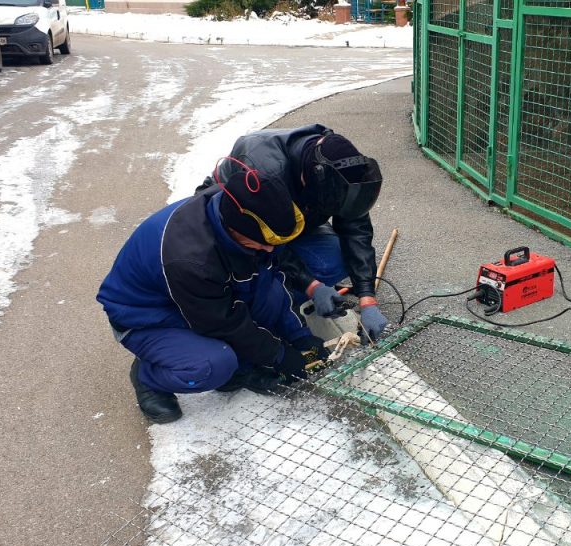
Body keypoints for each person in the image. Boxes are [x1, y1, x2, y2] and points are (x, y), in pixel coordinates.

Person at [97, 160, 327, 424]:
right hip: (146, 317)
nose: (269, 250)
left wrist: (299, 337)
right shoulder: (191, 260)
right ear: (235, 228)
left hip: (198, 300)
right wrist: (280, 355)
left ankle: (238, 367)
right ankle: (148, 376)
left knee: (269, 295)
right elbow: (222, 323)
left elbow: (271, 282)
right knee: (213, 365)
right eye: (264, 244)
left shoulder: (244, 213)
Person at [197, 124, 389, 342]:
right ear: (312, 180)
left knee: (333, 262)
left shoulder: (343, 170)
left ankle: (289, 292)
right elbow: (267, 241)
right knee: (263, 277)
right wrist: (311, 285)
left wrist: (367, 298)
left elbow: (356, 230)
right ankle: (271, 308)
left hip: (297, 222)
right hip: (243, 229)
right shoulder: (263, 170)